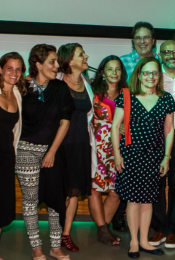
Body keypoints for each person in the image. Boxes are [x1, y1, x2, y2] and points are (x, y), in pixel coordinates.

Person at [111, 57, 175, 258]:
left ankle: (145, 241)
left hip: (154, 157)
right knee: (132, 201)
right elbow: (115, 126)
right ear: (139, 74)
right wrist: (116, 154)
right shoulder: (127, 96)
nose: (150, 77)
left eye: (155, 73)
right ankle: (133, 241)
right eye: (146, 72)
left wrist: (166, 157)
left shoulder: (166, 99)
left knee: (148, 201)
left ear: (159, 76)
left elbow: (169, 131)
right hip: (130, 155)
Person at [16, 44, 73, 260]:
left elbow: (65, 123)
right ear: (38, 65)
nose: (57, 65)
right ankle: (36, 248)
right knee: (30, 201)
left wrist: (51, 152)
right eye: (52, 61)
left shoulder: (59, 88)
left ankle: (55, 247)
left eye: (57, 61)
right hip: (25, 151)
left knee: (56, 199)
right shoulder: (21, 87)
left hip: (53, 152)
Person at [113, 21, 159, 232]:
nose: (142, 41)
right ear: (133, 41)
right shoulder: (121, 63)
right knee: (127, 176)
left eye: (146, 37)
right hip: (125, 130)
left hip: (152, 134)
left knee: (148, 181)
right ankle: (120, 217)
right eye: (138, 37)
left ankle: (146, 223)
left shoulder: (158, 64)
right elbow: (114, 93)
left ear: (153, 41)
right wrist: (120, 123)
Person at [148, 40, 175, 249]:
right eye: (167, 52)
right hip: (156, 137)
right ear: (160, 54)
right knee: (156, 184)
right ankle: (159, 228)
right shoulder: (152, 78)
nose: (171, 55)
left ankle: (173, 229)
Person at [57, 43, 95, 252]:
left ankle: (65, 234)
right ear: (70, 60)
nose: (86, 57)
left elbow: (90, 115)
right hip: (59, 146)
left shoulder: (86, 83)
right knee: (58, 192)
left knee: (72, 193)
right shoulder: (57, 84)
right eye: (82, 55)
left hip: (81, 145)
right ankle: (56, 232)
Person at [88, 55, 128, 245]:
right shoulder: (92, 93)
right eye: (110, 69)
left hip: (118, 149)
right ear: (102, 72)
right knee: (94, 189)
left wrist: (125, 127)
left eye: (118, 69)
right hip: (95, 147)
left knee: (116, 192)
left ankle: (102, 227)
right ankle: (104, 230)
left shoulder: (128, 95)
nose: (114, 73)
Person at [0, 52, 25, 254]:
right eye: (9, 68)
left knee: (1, 206)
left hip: (6, 157)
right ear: (1, 69)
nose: (14, 73)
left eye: (18, 69)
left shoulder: (17, 94)